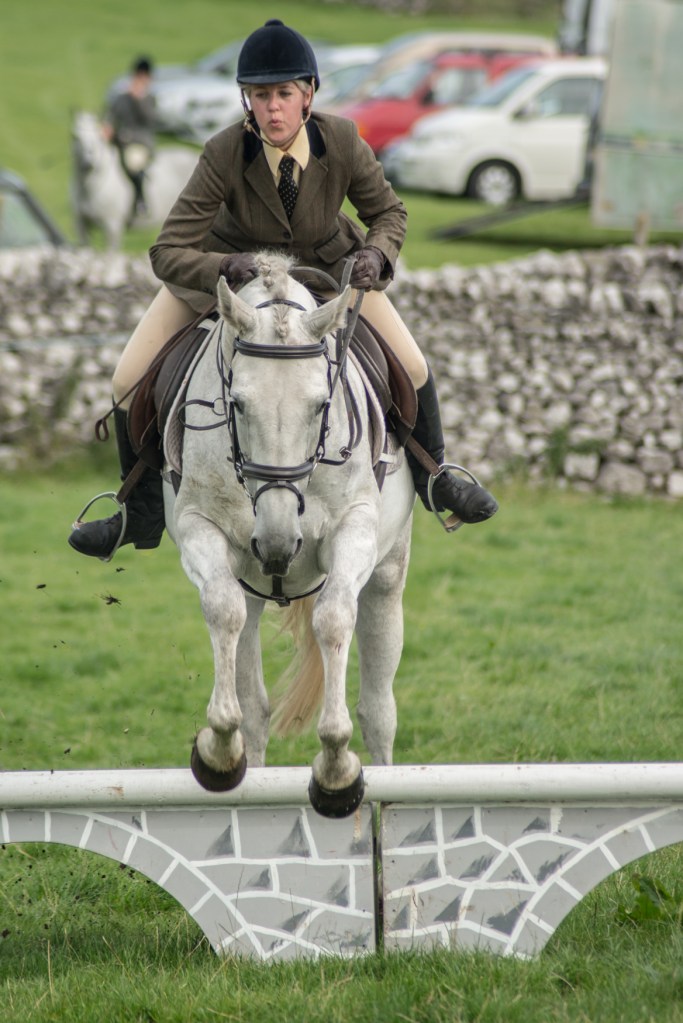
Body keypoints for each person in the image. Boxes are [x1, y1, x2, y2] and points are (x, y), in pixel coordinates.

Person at [69, 20, 498, 561]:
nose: (273, 108)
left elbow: (389, 211)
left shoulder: (341, 140)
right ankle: (140, 510)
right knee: (126, 377)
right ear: (246, 101)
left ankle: (437, 477)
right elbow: (166, 251)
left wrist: (376, 253)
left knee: (412, 365)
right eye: (260, 95)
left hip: (326, 271)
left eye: (284, 94)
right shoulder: (225, 150)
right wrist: (226, 265)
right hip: (229, 279)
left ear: (308, 95)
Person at [103, 56, 156, 221]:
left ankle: (141, 201)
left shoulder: (149, 99)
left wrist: (138, 100)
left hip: (140, 143)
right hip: (119, 142)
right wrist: (107, 126)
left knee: (133, 163)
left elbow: (150, 121)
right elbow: (111, 114)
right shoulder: (122, 97)